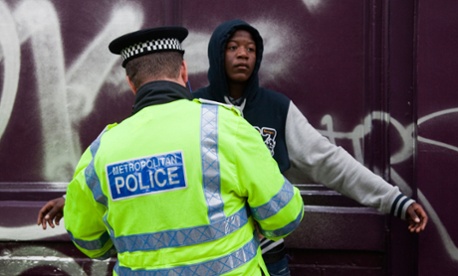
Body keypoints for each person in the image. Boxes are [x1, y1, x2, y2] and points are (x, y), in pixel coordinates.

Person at [60, 26, 304, 275]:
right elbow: (285, 216)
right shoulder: (225, 127)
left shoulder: (102, 150)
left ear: (131, 84)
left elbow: (88, 239)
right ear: (184, 71)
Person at [192, 19, 428, 276]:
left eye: (251, 49)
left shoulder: (277, 109)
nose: (242, 54)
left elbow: (328, 161)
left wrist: (395, 200)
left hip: (268, 259)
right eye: (232, 47)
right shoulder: (194, 108)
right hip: (212, 258)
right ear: (217, 53)